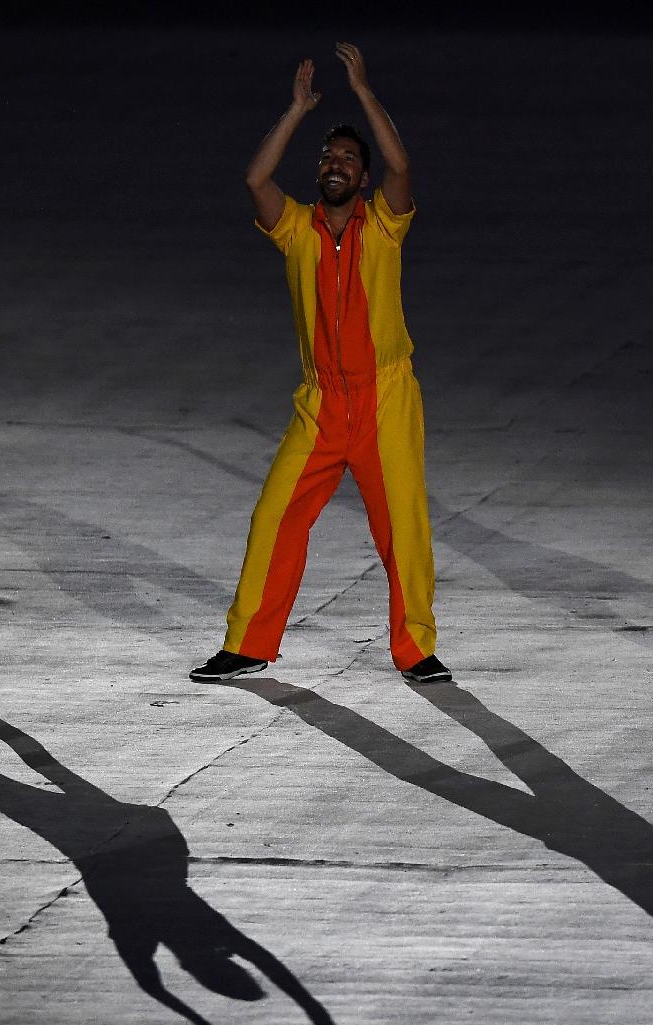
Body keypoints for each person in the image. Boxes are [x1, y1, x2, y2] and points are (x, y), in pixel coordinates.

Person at [191, 44, 449, 685]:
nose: (335, 165)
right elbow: (255, 180)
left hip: (385, 397)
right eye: (328, 157)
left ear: (362, 179)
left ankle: (415, 650)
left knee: (402, 530)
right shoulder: (296, 228)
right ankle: (249, 642)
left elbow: (402, 163)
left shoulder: (385, 224)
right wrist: (297, 109)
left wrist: (362, 90)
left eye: (347, 160)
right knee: (276, 516)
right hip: (321, 404)